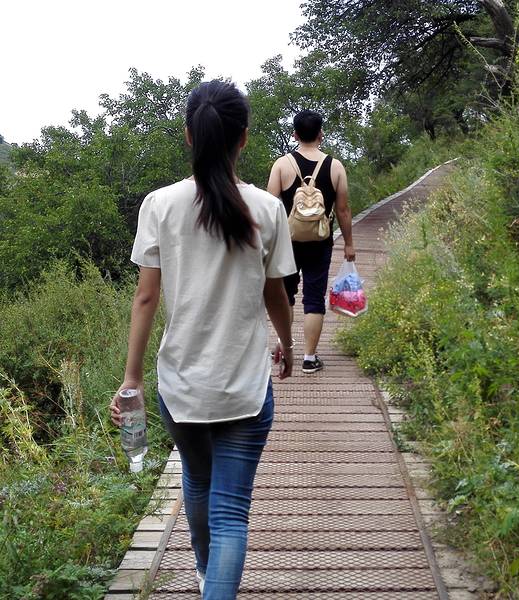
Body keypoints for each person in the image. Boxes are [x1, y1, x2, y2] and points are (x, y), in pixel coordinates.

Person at [109, 80, 296, 599]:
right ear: (244, 138)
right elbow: (276, 294)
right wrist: (286, 345)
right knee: (231, 510)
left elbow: (145, 298)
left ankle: (204, 571)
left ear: (190, 136)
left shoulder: (160, 205)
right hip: (244, 386)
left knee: (196, 480)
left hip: (181, 385)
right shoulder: (266, 209)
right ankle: (214, 582)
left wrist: (131, 378)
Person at [267, 110, 355, 373]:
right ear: (321, 134)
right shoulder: (335, 166)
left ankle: (285, 346)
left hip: (287, 242)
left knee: (286, 296)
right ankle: (309, 358)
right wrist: (349, 244)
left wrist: (267, 245)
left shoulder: (282, 165)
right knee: (314, 298)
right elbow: (343, 210)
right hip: (320, 241)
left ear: (294, 134)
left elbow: (269, 207)